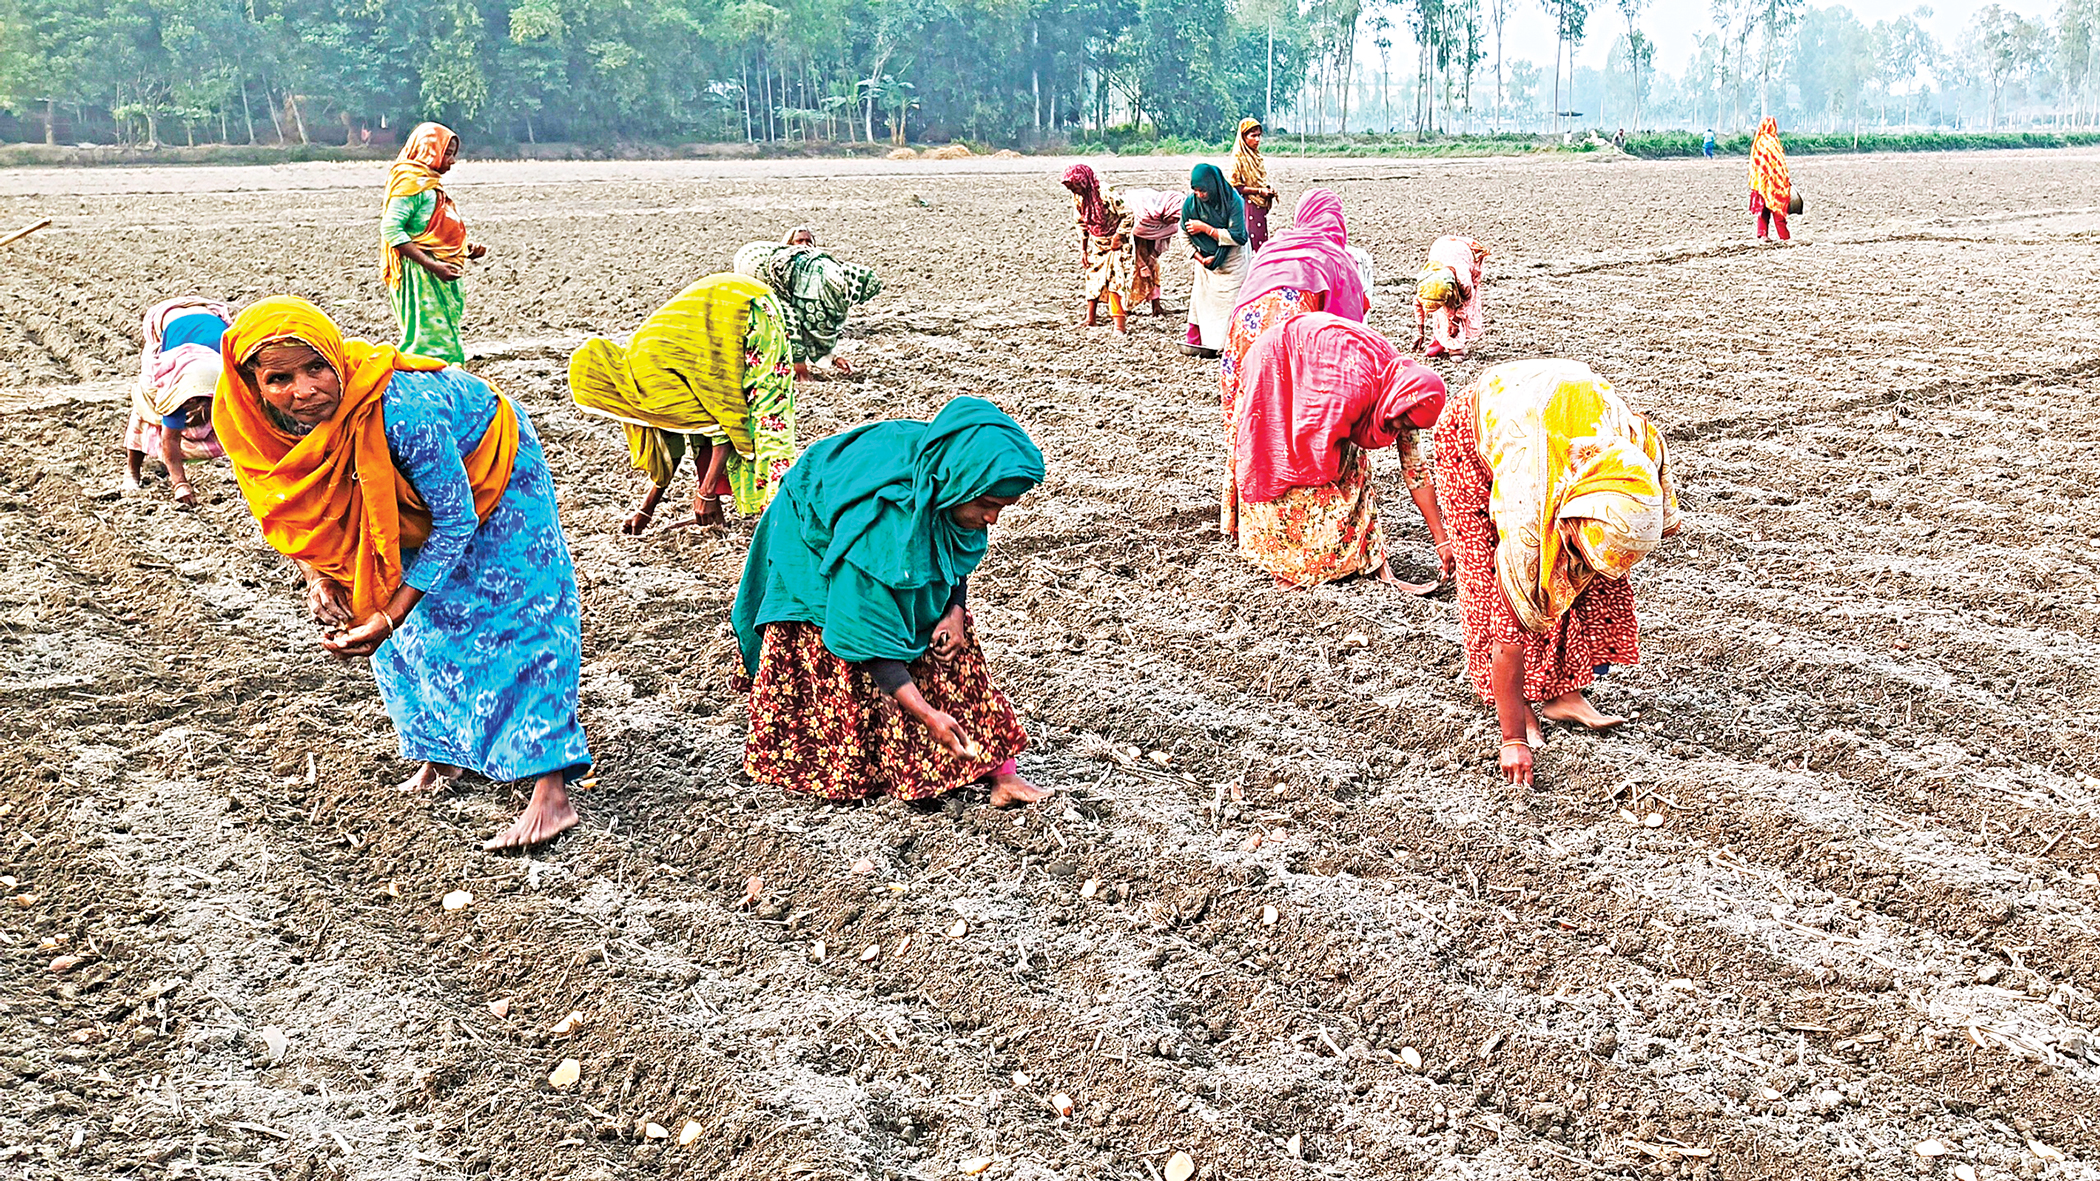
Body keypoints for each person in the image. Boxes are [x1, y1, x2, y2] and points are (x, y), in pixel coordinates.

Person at [213, 296, 592, 849]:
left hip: (493, 468)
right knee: (407, 614)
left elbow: (455, 520)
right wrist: (321, 576)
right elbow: (298, 509)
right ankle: (443, 755)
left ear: (336, 358)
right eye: (279, 379)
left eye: (317, 367)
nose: (304, 390)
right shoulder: (258, 426)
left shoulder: (399, 410)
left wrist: (389, 617)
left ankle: (550, 792)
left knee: (516, 611)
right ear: (255, 387)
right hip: (399, 488)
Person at [732, 396, 1050, 806]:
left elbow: (952, 554)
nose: (992, 520)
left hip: (888, 532)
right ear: (959, 487)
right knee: (845, 650)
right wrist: (926, 714)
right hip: (812, 530)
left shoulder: (953, 481)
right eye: (987, 506)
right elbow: (865, 633)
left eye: (1002, 508)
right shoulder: (883, 528)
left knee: (943, 637)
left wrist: (955, 610)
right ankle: (873, 768)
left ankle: (1002, 776)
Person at [1432, 359, 1677, 786]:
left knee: (1583, 576)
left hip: (1558, 413)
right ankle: (1522, 709)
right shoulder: (1529, 503)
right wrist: (1512, 740)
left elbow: (1655, 519)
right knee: (1494, 577)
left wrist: (1594, 558)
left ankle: (1563, 692)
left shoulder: (1639, 458)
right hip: (1476, 435)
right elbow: (1508, 628)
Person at [1233, 313, 1452, 591]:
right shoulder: (1356, 389)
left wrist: (1443, 541)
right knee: (1297, 466)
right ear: (1400, 405)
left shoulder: (1405, 393)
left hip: (1320, 370)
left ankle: (1359, 558)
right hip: (1276, 360)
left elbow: (1416, 470)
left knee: (1354, 469)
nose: (1399, 430)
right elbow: (1310, 446)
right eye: (1403, 423)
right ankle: (1293, 566)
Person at [568, 274, 796, 534]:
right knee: (701, 432)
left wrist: (706, 492)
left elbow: (719, 426)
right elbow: (672, 442)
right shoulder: (631, 377)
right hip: (732, 307)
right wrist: (646, 509)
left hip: (744, 313)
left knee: (768, 418)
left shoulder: (647, 379)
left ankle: (784, 522)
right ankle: (744, 515)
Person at [1218, 189, 1371, 537]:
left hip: (1244, 337)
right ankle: (1303, 529)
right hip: (1291, 339)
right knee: (1298, 425)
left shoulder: (1273, 247)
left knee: (1252, 418)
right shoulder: (1336, 257)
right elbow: (1346, 332)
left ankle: (1247, 523)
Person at [380, 122, 485, 364]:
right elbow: (391, 229)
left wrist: (464, 249)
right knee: (429, 340)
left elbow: (430, 229)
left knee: (443, 333)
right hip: (420, 275)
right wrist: (433, 266)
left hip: (437, 271)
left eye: (453, 154)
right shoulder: (410, 186)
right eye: (447, 153)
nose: (452, 161)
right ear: (428, 151)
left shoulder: (428, 185)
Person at [124, 297, 229, 504]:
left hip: (210, 322)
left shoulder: (231, 379)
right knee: (146, 406)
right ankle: (132, 472)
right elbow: (170, 439)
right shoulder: (176, 386)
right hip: (166, 320)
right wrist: (180, 484)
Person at [733, 237, 883, 379]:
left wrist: (834, 357)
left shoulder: (835, 274)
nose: (859, 302)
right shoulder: (819, 285)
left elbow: (819, 330)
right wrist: (801, 365)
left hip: (758, 251)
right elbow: (808, 325)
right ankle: (794, 371)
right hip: (756, 264)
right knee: (784, 316)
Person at [1180, 163, 1249, 358]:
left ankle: (1231, 343)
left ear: (1213, 186)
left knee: (1233, 303)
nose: (1199, 195)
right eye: (1196, 190)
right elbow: (1183, 234)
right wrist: (1200, 258)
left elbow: (1238, 236)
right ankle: (1201, 341)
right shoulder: (1191, 205)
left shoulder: (1232, 201)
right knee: (1201, 301)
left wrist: (1205, 228)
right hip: (1205, 263)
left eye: (1203, 190)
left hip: (1233, 260)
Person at [1062, 164, 1138, 333]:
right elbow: (1081, 223)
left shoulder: (1105, 193)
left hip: (1117, 245)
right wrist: (1083, 250)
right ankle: (1090, 319)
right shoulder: (1078, 198)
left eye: (1074, 187)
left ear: (1083, 182)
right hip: (1098, 243)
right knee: (1093, 277)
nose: (1073, 191)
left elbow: (1128, 215)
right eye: (1070, 189)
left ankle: (1119, 325)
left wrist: (1118, 237)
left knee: (1115, 281)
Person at [1413, 235, 1490, 358]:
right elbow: (1418, 305)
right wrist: (1420, 333)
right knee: (1442, 310)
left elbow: (1468, 300)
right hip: (1439, 248)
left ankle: (1455, 346)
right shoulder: (1426, 286)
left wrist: (1455, 321)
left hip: (1463, 253)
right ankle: (1439, 342)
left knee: (1454, 307)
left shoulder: (1464, 282)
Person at [1122, 187, 1186, 317]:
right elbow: (1134, 243)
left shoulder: (1167, 221)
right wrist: (1141, 264)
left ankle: (1156, 306)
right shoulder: (1145, 217)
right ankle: (1124, 307)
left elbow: (1158, 236)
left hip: (1149, 246)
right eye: (1174, 218)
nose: (1175, 221)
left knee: (1154, 269)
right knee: (1131, 273)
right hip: (1133, 245)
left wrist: (1151, 256)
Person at [1230, 118, 1277, 251]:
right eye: (1253, 136)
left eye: (1259, 136)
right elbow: (1236, 186)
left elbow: (1259, 180)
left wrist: (1267, 190)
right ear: (1243, 137)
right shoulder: (1238, 158)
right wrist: (1259, 191)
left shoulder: (1256, 156)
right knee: (1251, 241)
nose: (1257, 140)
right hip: (1246, 205)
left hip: (1259, 205)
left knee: (1261, 239)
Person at [1749, 117, 1791, 241]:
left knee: (1763, 210)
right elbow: (1779, 165)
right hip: (1774, 183)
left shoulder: (1758, 142)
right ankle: (1784, 237)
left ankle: (1762, 234)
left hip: (1761, 182)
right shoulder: (1773, 142)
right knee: (1778, 211)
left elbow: (1755, 164)